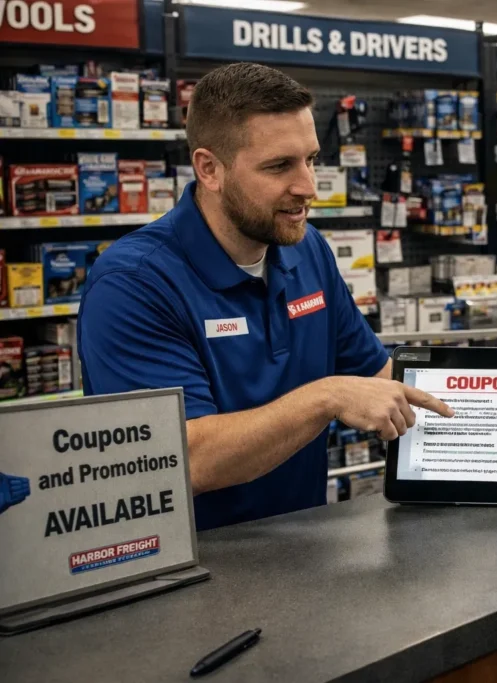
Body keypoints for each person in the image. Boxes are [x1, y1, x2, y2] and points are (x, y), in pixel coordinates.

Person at [78, 63, 452, 531]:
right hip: (185, 572)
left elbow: (376, 372)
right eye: (279, 166)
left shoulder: (306, 248)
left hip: (303, 554)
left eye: (311, 159)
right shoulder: (133, 284)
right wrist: (327, 397)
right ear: (210, 169)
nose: (308, 188)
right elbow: (184, 458)